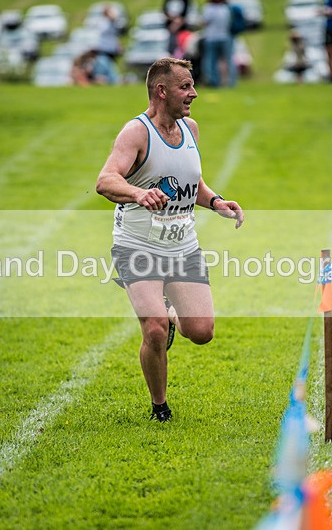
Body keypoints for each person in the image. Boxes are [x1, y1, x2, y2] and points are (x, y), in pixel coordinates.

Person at [95, 58, 244, 422]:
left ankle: (174, 315)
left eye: (192, 86)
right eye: (185, 87)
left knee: (202, 331)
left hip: (182, 246)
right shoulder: (136, 133)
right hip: (138, 246)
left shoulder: (190, 128)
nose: (193, 93)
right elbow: (105, 180)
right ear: (162, 92)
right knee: (155, 328)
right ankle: (160, 407)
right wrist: (135, 193)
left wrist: (215, 201)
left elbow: (191, 181)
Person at [202, 0, 235, 88]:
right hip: (218, 37)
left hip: (218, 37)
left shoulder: (210, 8)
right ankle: (214, 81)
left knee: (215, 60)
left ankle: (227, 82)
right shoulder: (226, 7)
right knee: (213, 60)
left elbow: (204, 21)